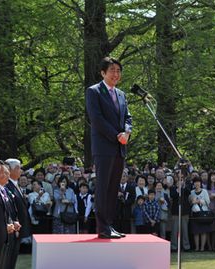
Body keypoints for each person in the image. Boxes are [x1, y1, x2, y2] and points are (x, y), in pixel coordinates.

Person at [86, 56, 132, 239]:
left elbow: (128, 117)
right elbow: (96, 119)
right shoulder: (94, 91)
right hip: (104, 147)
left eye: (118, 71)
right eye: (112, 70)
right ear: (103, 72)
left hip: (120, 147)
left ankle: (109, 224)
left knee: (114, 188)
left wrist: (127, 132)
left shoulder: (121, 94)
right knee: (103, 187)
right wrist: (116, 135)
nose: (116, 74)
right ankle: (102, 226)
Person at [5, 159, 31, 264]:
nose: (21, 170)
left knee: (13, 258)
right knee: (8, 259)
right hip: (12, 229)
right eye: (19, 168)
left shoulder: (15, 184)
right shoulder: (7, 186)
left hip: (18, 228)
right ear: (14, 169)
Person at [0, 164, 21, 269]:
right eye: (5, 173)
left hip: (10, 230)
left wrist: (14, 221)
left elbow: (10, 210)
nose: (8, 175)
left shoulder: (5, 190)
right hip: (0, 232)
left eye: (8, 173)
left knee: (8, 261)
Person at [189, 176, 212, 251]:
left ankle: (202, 248)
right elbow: (189, 202)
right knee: (196, 231)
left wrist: (199, 201)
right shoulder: (191, 192)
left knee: (203, 231)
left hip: (203, 213)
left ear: (200, 183)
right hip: (195, 213)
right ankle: (197, 247)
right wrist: (193, 202)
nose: (197, 183)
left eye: (198, 182)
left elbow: (208, 202)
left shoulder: (204, 191)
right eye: (195, 182)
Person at [170, 172, 191, 251]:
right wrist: (178, 189)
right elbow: (173, 195)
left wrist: (183, 186)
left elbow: (188, 192)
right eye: (179, 180)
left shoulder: (186, 187)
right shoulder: (173, 188)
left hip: (185, 212)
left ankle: (186, 246)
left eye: (181, 180)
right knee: (175, 230)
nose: (180, 181)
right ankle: (174, 246)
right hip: (175, 212)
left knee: (185, 230)